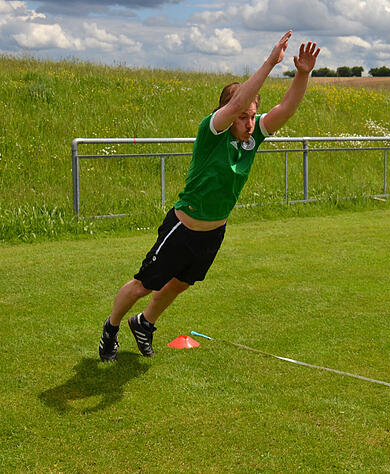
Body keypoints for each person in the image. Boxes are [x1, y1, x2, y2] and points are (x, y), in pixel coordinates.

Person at [98, 31, 319, 361]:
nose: (248, 122)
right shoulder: (212, 130)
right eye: (242, 116)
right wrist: (270, 62)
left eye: (251, 116)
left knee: (181, 284)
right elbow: (238, 102)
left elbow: (286, 108)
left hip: (213, 231)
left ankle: (144, 323)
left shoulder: (252, 137)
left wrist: (302, 73)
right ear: (229, 112)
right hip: (182, 228)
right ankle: (111, 329)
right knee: (144, 283)